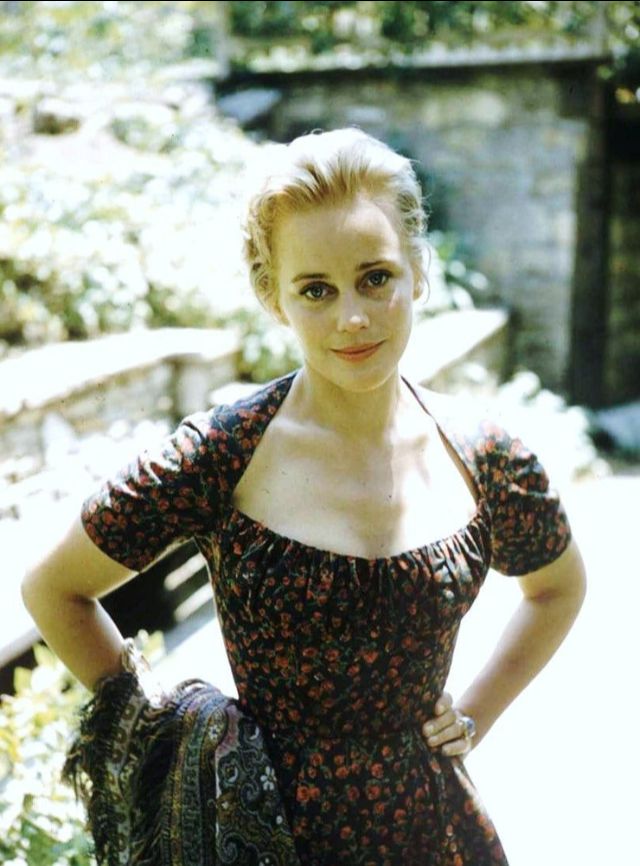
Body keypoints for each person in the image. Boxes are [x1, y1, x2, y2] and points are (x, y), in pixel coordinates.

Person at [22, 127, 586, 865]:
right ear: (274, 297)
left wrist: (476, 713)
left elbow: (557, 588)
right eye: (316, 290)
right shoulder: (221, 454)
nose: (352, 317)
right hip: (264, 837)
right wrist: (168, 741)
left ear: (418, 271)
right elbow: (55, 590)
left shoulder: (486, 458)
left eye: (375, 278)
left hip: (430, 832)